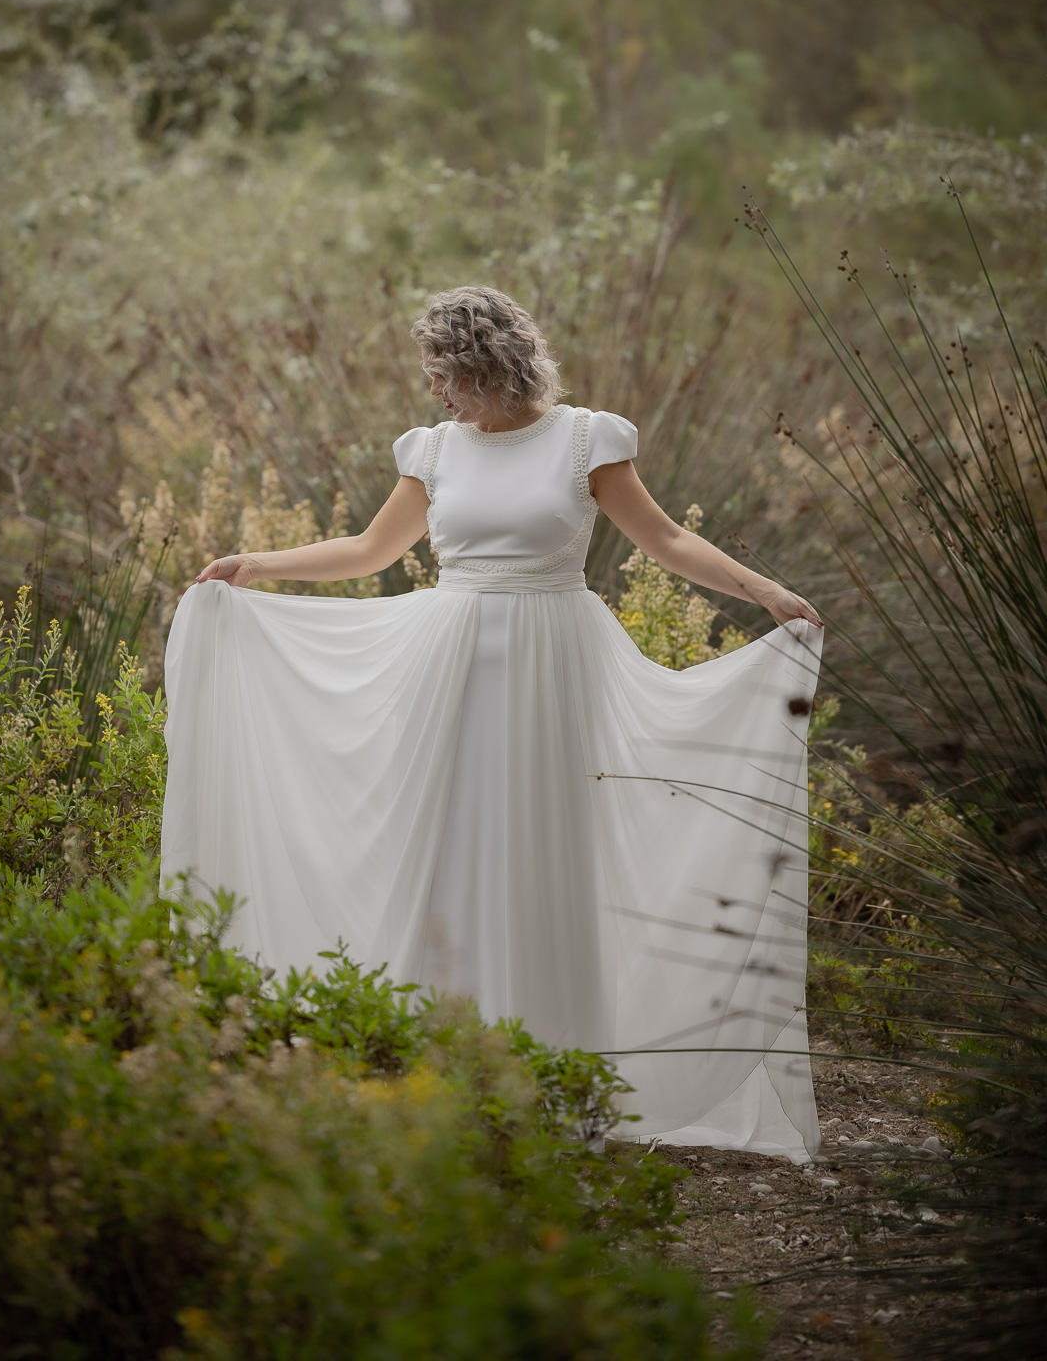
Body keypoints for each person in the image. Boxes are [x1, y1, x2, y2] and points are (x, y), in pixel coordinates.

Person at [162, 286, 824, 1160]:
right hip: (450, 666)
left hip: (555, 662)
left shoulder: (588, 438)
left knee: (548, 853)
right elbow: (371, 550)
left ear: (492, 367)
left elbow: (666, 541)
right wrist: (253, 564)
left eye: (448, 373)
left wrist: (768, 593)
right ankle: (448, 1080)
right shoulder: (433, 451)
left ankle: (560, 1085)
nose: (437, 392)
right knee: (452, 853)